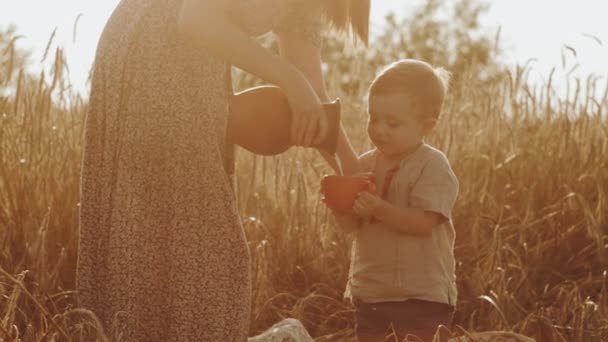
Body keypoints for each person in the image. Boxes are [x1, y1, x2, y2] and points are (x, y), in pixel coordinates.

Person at [76, 0, 368, 340]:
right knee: (206, 248)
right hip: (152, 53)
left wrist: (357, 172)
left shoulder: (307, 6)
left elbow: (313, 95)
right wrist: (289, 79)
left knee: (181, 238)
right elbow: (197, 18)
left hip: (190, 69)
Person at [329, 59, 459, 342]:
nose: (379, 130)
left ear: (427, 126)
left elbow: (424, 223)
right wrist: (339, 204)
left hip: (421, 295)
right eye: (373, 118)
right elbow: (352, 226)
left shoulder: (432, 165)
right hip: (371, 290)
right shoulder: (363, 164)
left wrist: (378, 207)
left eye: (393, 123)